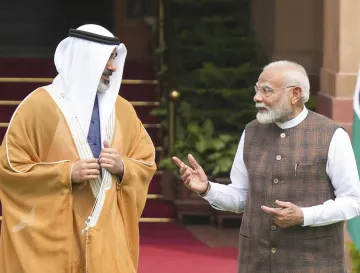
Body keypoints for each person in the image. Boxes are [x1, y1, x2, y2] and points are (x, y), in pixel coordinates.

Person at [173, 60, 360, 273]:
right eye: (257, 90)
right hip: (256, 264)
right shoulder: (251, 131)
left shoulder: (331, 134)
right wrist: (207, 189)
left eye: (266, 91)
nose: (257, 97)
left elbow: (352, 201)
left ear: (295, 94)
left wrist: (304, 216)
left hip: (314, 265)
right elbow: (242, 198)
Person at [0, 24, 156, 273]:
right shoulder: (37, 107)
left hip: (107, 231)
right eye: (107, 59)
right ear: (87, 59)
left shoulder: (123, 110)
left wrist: (123, 166)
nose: (113, 67)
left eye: (115, 58)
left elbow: (145, 162)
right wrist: (65, 174)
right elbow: (11, 168)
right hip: (53, 237)